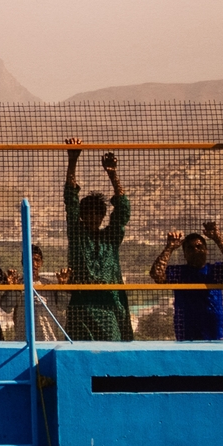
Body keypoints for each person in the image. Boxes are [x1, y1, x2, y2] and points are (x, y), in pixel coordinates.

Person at [63, 137, 133, 341]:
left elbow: (123, 211)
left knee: (112, 347)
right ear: (83, 215)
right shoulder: (78, 236)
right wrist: (73, 159)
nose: (93, 216)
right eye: (89, 212)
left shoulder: (110, 238)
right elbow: (70, 201)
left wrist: (113, 175)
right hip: (82, 304)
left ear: (102, 215)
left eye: (97, 212)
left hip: (109, 302)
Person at [150, 224, 223, 341]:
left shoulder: (214, 271)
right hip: (185, 328)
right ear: (184, 254)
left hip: (212, 328)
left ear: (206, 250)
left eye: (199, 247)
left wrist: (217, 237)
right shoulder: (179, 273)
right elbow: (157, 274)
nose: (195, 250)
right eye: (190, 248)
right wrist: (169, 248)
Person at [0, 244, 71, 342]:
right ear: (23, 263)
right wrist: (13, 289)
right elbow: (6, 307)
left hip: (49, 340)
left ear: (41, 263)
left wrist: (62, 287)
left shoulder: (48, 285)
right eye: (29, 259)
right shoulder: (18, 285)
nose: (33, 264)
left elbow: (62, 306)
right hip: (24, 341)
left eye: (37, 260)